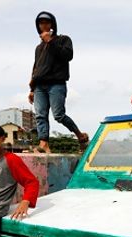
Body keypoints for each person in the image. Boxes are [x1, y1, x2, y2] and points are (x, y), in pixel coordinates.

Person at [28, 11, 88, 154]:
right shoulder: (38, 48)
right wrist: (31, 89)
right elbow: (36, 67)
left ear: (52, 24)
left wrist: (50, 41)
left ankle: (80, 135)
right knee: (40, 115)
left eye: (47, 22)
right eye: (41, 23)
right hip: (39, 86)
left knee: (58, 115)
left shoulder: (63, 39)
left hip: (56, 83)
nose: (44, 25)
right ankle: (44, 144)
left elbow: (68, 55)